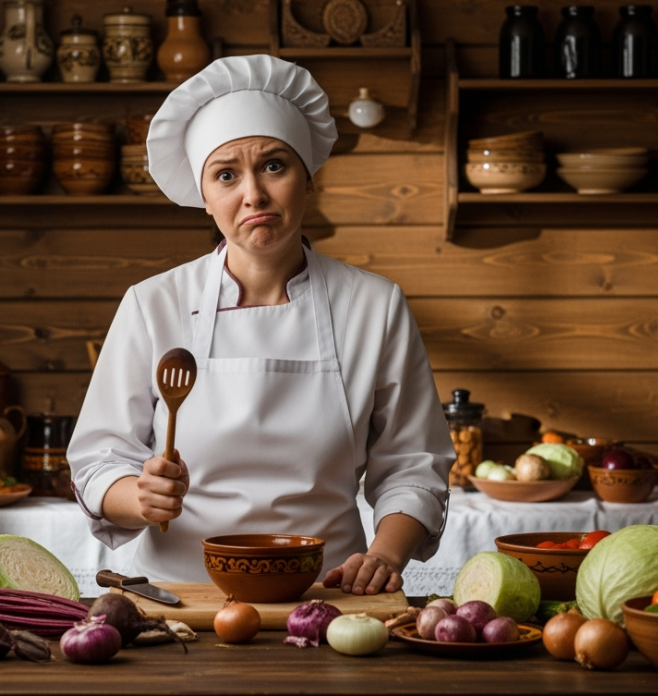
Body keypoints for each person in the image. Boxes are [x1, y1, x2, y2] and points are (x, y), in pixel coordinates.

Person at [68, 55, 452, 596]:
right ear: (205, 197)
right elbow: (97, 461)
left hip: (328, 596)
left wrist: (385, 555)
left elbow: (414, 465)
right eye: (226, 174)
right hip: (180, 598)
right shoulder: (153, 304)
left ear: (308, 178)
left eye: (274, 165)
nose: (253, 193)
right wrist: (137, 496)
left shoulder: (375, 306)